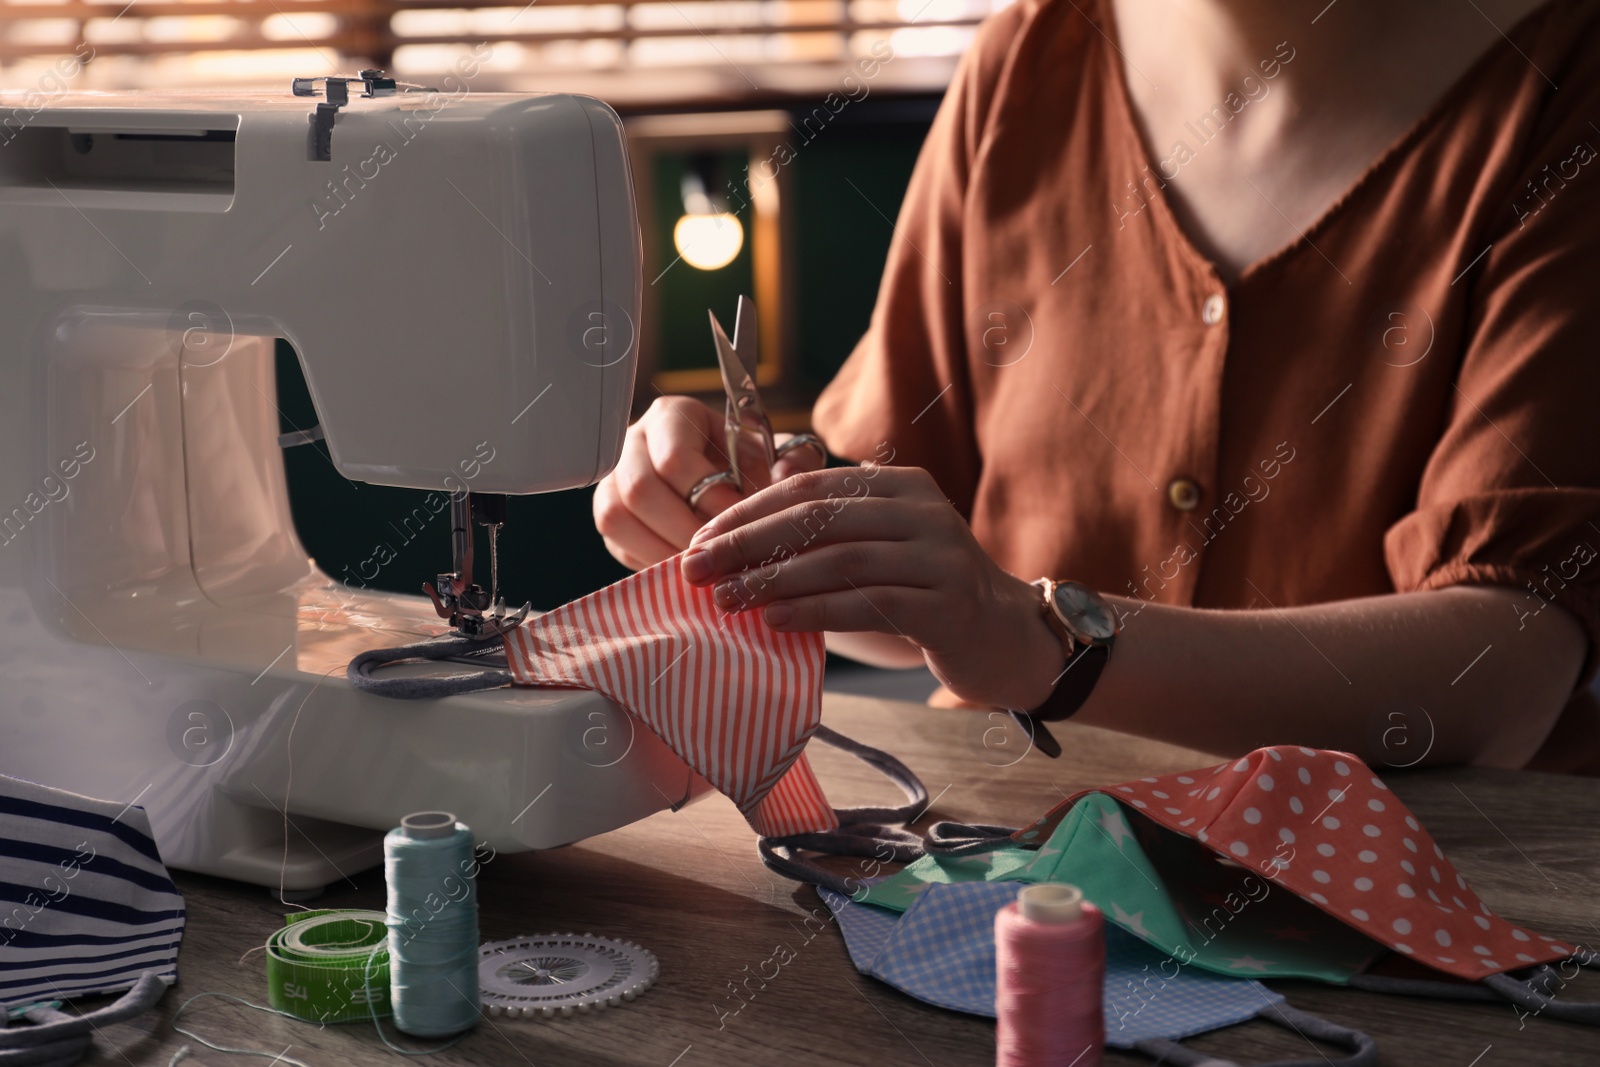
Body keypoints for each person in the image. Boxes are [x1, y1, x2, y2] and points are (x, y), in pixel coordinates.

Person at [595, 0, 1600, 773]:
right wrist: (755, 523)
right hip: (1007, 864)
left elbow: (1505, 668)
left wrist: (1039, 643)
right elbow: (915, 613)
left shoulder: (1562, 86)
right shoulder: (1027, 60)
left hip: (1402, 918)